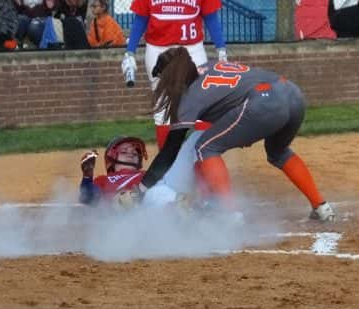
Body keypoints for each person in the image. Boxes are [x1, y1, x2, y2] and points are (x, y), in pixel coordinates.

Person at [129, 47, 335, 222]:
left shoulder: (190, 97)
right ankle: (321, 207)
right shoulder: (207, 67)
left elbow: (170, 150)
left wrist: (141, 189)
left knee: (205, 147)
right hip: (292, 93)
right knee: (278, 151)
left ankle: (228, 215)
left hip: (264, 101)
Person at [120, 0, 227, 149]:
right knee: (163, 106)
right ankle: (167, 161)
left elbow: (211, 17)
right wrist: (130, 51)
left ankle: (204, 157)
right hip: (158, 50)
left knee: (202, 102)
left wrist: (221, 49)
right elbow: (141, 19)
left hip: (192, 48)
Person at [79, 136, 147, 205]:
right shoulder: (103, 180)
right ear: (111, 158)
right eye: (124, 152)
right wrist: (87, 177)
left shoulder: (147, 174)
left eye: (135, 153)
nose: (131, 154)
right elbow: (88, 199)